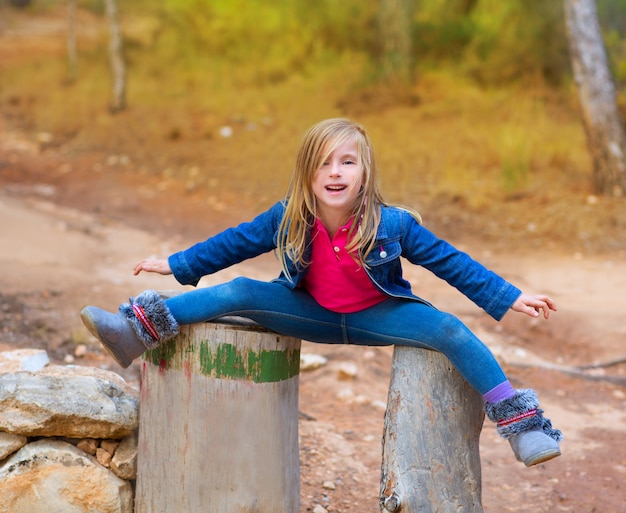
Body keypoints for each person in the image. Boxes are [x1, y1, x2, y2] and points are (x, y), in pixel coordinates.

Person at [81, 117, 562, 467]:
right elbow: (234, 242)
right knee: (241, 289)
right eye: (324, 163)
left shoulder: (393, 223)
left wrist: (510, 295)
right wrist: (176, 264)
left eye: (347, 162)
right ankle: (133, 331)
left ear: (364, 173)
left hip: (379, 316)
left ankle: (523, 428)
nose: (336, 172)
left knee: (450, 329)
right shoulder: (288, 216)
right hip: (309, 312)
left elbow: (452, 262)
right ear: (308, 173)